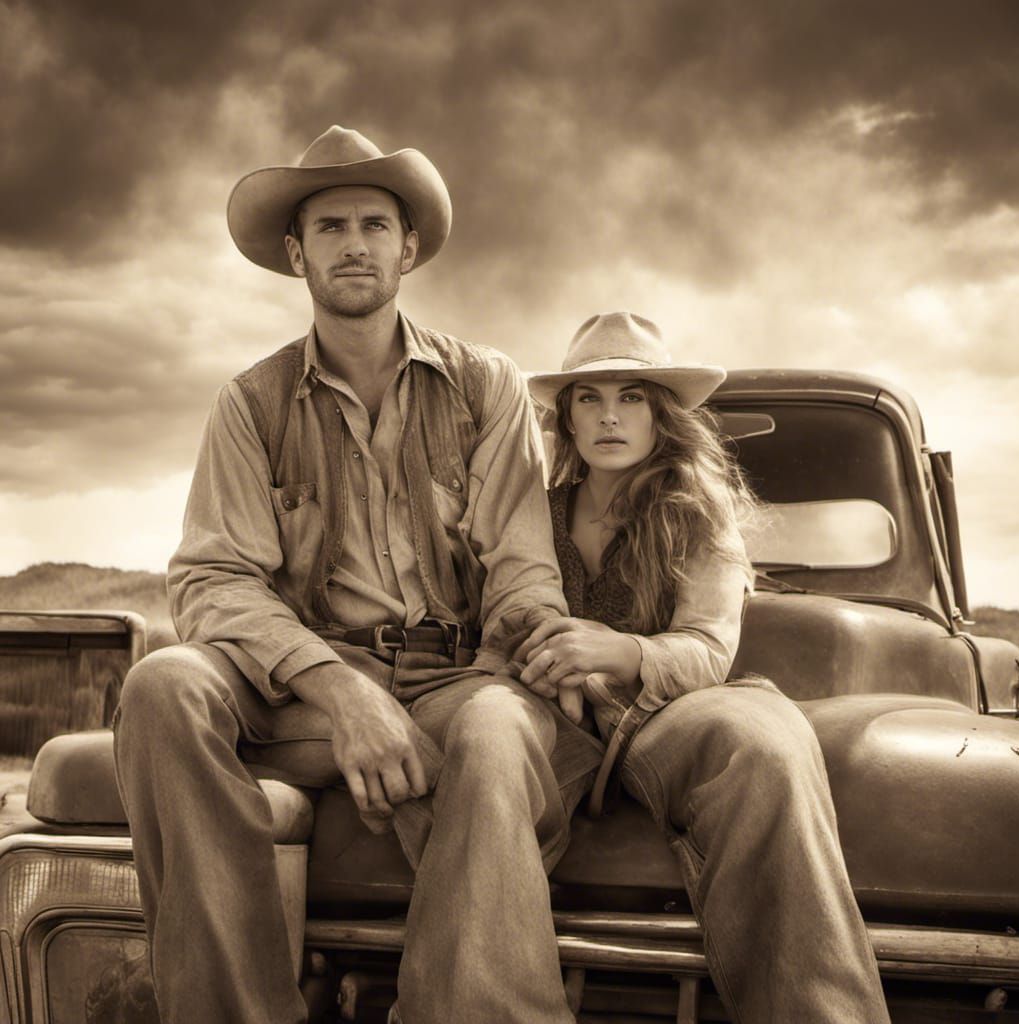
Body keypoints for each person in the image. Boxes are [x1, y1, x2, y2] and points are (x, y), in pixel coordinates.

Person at [113, 126, 602, 1024]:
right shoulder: (250, 403)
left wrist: (510, 676)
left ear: (407, 247)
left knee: (495, 728)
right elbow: (214, 581)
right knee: (162, 684)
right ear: (296, 254)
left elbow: (524, 575)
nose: (355, 244)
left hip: (458, 675)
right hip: (304, 688)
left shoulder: (483, 386)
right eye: (330, 227)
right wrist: (345, 694)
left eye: (375, 224)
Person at [518, 311, 891, 1023]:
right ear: (565, 418)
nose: (609, 416)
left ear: (662, 415)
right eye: (589, 399)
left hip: (667, 717)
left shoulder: (698, 514)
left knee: (763, 740)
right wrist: (543, 657)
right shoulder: (532, 514)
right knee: (474, 736)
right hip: (551, 720)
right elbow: (505, 609)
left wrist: (622, 651)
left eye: (632, 397)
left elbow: (709, 650)